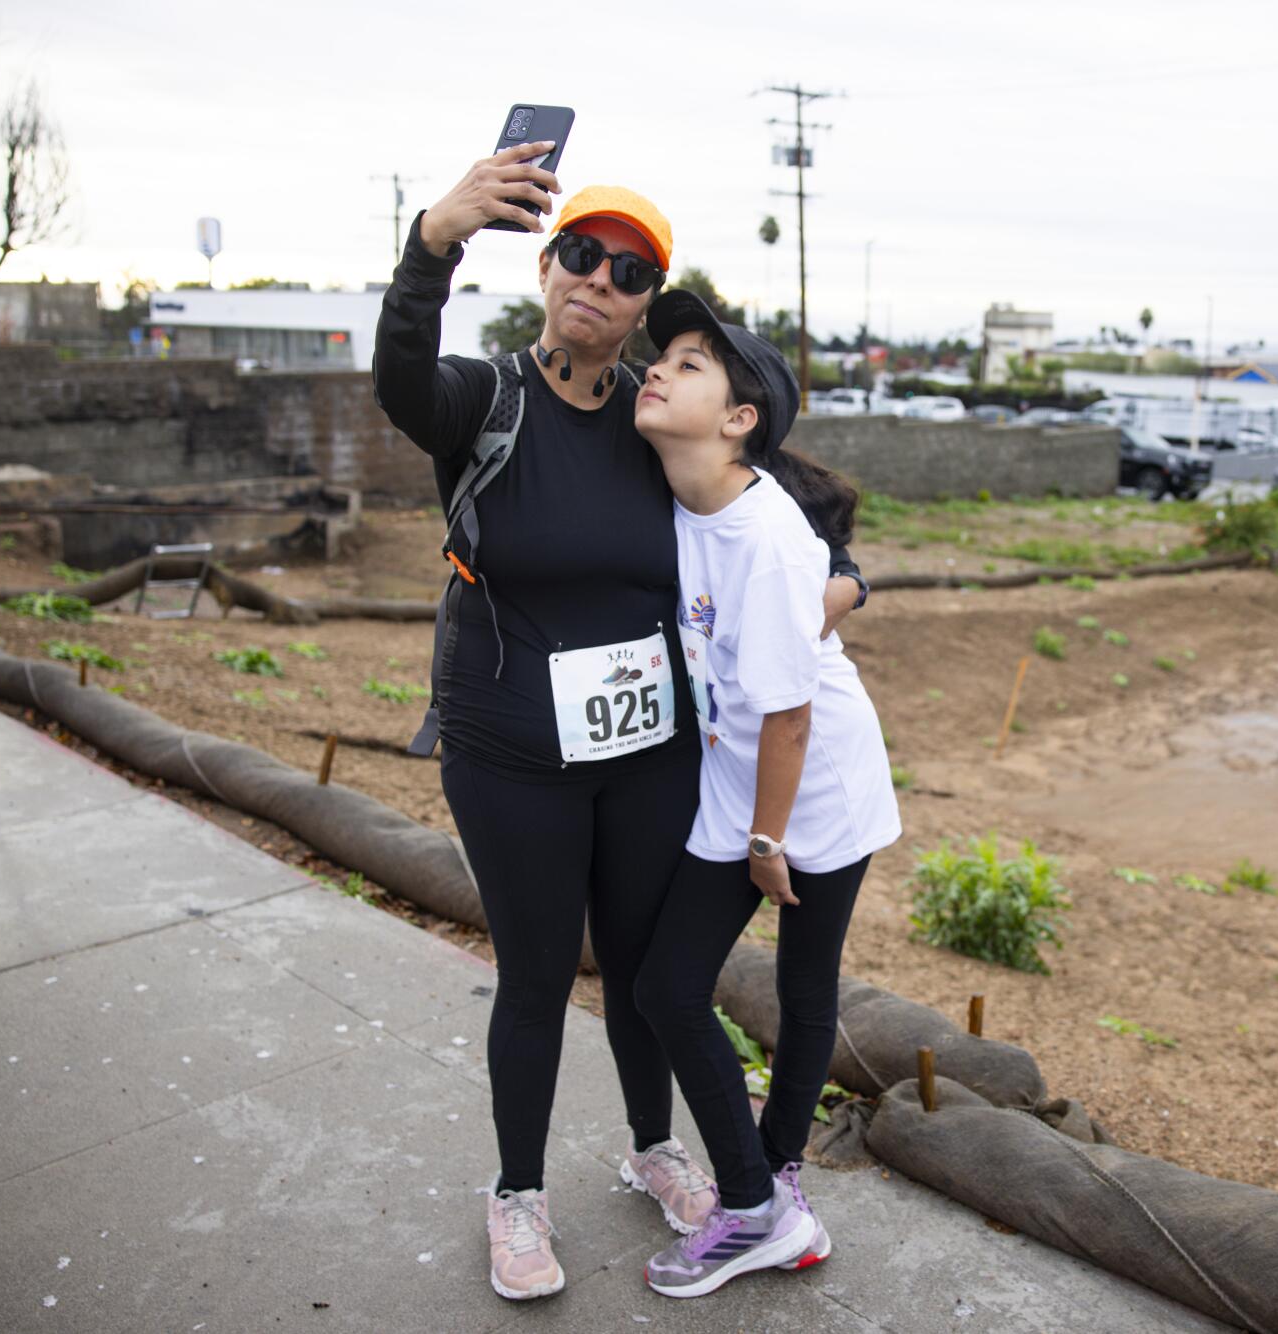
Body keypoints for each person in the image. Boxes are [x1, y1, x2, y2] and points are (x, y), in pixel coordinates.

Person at [370, 141, 866, 1302]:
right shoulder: (483, 399)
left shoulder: (657, 419)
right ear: (547, 266)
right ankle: (516, 1194)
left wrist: (841, 587)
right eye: (581, 254)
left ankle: (656, 1150)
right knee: (538, 974)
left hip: (648, 754)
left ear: (644, 306)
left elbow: (805, 514)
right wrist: (431, 243)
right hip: (511, 752)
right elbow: (398, 384)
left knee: (645, 967)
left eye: (627, 270)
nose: (599, 277)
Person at [629, 291, 902, 1299]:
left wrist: (765, 839)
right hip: (736, 779)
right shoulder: (673, 492)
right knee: (666, 983)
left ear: (738, 417)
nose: (656, 370)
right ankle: (760, 1197)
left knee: (802, 980)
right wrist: (850, 584)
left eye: (689, 363)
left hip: (811, 790)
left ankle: (765, 1183)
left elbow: (787, 716)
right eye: (666, 358)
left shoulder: (768, 537)